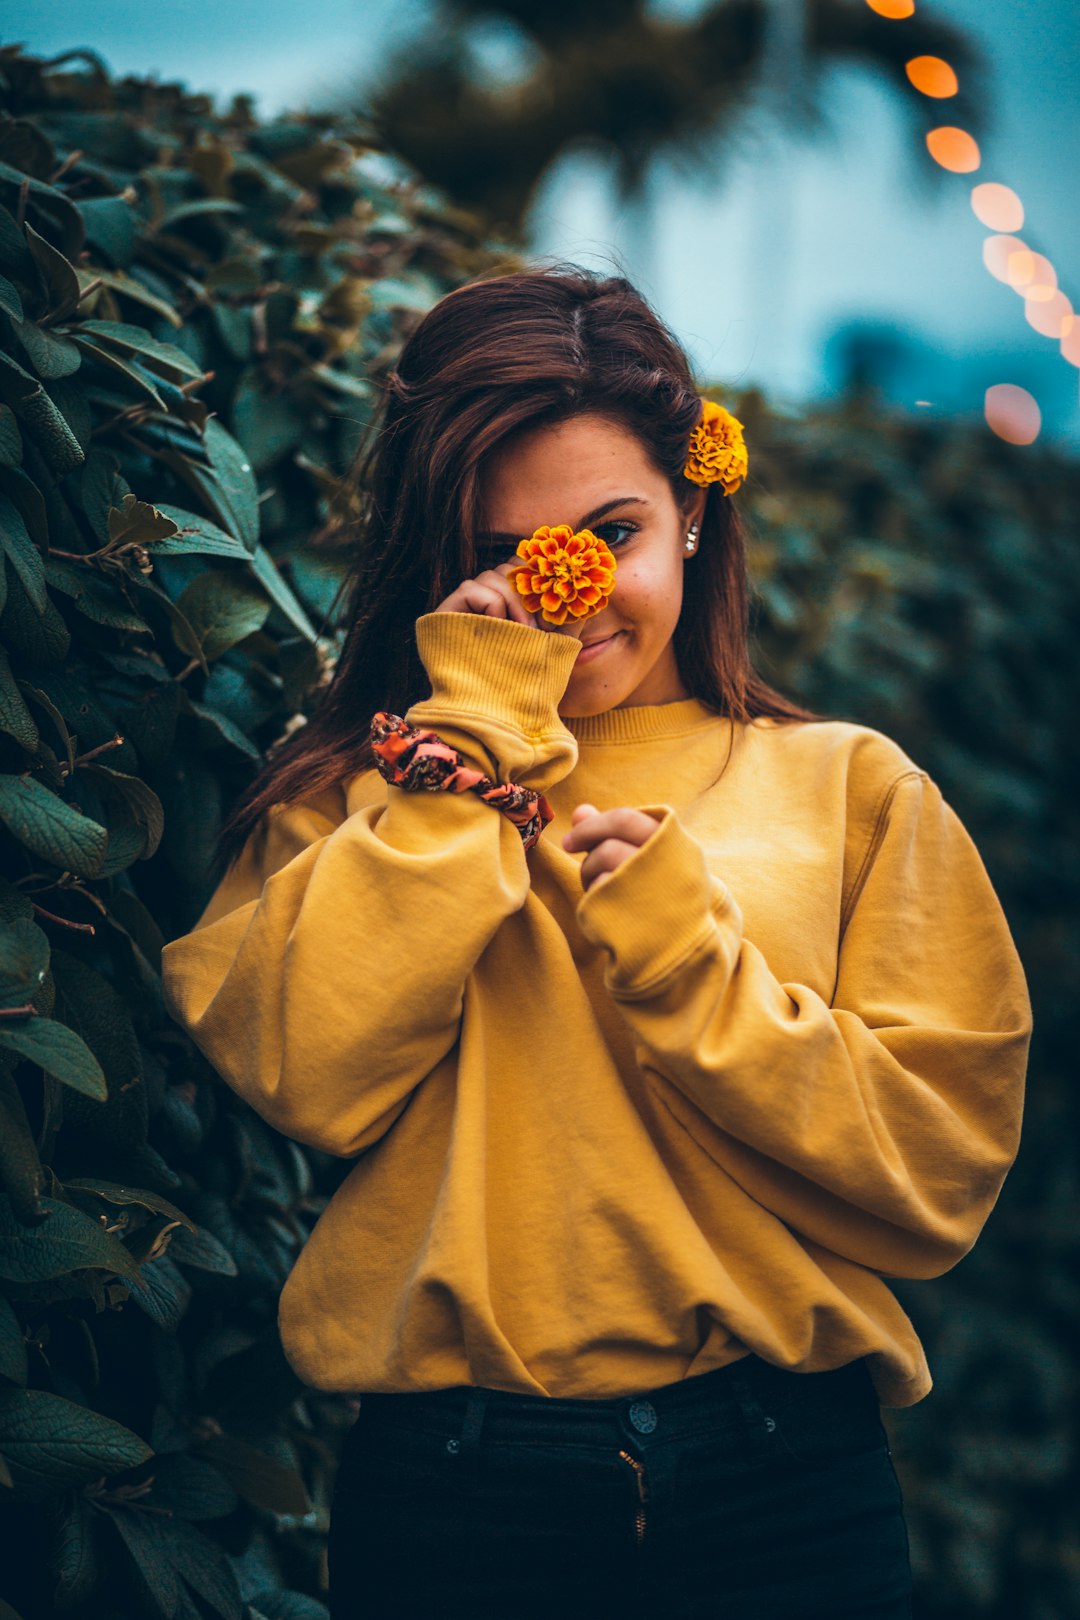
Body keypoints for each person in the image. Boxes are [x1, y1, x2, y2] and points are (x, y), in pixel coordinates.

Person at [160, 264, 1032, 1619]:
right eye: (506, 555)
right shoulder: (352, 793)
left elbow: (934, 1178)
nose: (565, 599)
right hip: (459, 1501)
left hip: (785, 1488)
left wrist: (689, 961)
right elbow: (309, 1075)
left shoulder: (852, 788)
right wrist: (475, 742)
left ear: (692, 507)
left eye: (607, 535)